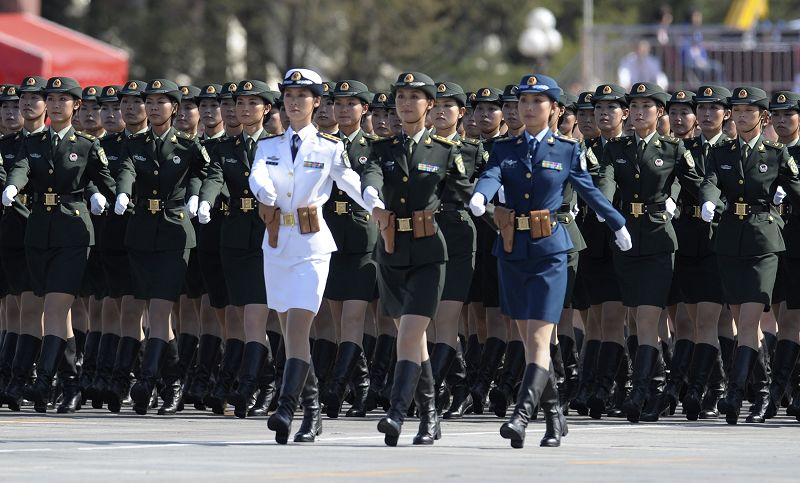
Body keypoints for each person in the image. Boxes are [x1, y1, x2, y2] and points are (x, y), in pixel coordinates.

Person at [469, 73, 631, 448]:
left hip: (550, 251)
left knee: (541, 337)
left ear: (555, 109)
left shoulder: (566, 149)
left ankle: (521, 416)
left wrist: (617, 224)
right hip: (511, 250)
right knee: (528, 340)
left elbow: (589, 191)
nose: (527, 109)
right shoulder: (505, 149)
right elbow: (492, 175)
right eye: (523, 102)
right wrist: (482, 194)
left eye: (537, 102)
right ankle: (555, 416)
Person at [249, 68, 369, 444]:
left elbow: (353, 184)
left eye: (303, 96)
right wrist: (265, 193)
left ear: (317, 102)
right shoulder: (267, 147)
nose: (294, 102)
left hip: (312, 245)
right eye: (289, 96)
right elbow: (257, 177)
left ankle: (286, 408)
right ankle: (313, 410)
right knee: (288, 332)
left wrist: (378, 207)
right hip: (276, 243)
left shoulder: (330, 147)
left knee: (299, 327)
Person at [361, 71, 471, 446]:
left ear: (430, 105)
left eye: (415, 97)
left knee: (409, 334)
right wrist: (374, 201)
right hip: (391, 250)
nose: (406, 103)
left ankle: (395, 412)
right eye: (401, 97)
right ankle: (430, 416)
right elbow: (371, 179)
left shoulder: (445, 150)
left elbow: (466, 196)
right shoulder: (381, 149)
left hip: (429, 253)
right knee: (414, 342)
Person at [2, 76, 116, 413]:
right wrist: (12, 185)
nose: (54, 104)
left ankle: (42, 380)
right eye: (50, 99)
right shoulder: (34, 141)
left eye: (62, 99)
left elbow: (104, 180)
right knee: (56, 313)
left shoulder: (86, 144)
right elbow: (22, 168)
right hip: (38, 232)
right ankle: (71, 384)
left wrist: (103, 196)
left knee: (54, 307)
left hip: (73, 231)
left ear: (75, 105)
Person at [597, 82, 702, 423]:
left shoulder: (672, 148)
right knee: (632, 317)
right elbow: (608, 180)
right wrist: (605, 206)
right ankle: (652, 385)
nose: (640, 110)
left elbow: (697, 182)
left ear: (660, 113)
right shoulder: (617, 147)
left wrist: (713, 199)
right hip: (626, 237)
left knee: (646, 318)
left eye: (648, 105)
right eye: (635, 105)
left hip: (658, 239)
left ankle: (640, 390)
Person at [700, 86, 800, 424]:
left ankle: (734, 392)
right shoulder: (723, 151)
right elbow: (710, 181)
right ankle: (761, 394)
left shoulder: (775, 154)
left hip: (764, 242)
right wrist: (709, 200)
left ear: (763, 117)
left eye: (749, 111)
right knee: (743, 321)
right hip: (730, 241)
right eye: (738, 110)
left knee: (748, 321)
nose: (742, 116)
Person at [113, 79, 210, 415]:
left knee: (159, 310)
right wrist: (123, 192)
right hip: (141, 232)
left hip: (174, 234)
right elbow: (126, 170)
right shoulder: (135, 143)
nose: (153, 108)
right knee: (158, 317)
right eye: (149, 102)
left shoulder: (187, 146)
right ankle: (173, 383)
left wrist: (199, 196)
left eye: (160, 102)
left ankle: (148, 379)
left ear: (175, 108)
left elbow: (206, 172)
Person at [198, 79, 277, 419]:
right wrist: (204, 199)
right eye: (239, 103)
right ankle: (261, 378)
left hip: (266, 236)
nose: (244, 109)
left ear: (266, 109)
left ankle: (246, 385)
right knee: (234, 313)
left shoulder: (276, 147)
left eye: (252, 104)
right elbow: (215, 177)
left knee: (254, 315)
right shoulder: (227, 147)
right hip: (233, 237)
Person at [320, 80, 379, 419]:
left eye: (350, 104)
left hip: (361, 238)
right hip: (328, 237)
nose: (342, 109)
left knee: (354, 318)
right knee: (337, 319)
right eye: (338, 103)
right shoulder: (321, 145)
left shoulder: (372, 146)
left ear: (364, 109)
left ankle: (337, 386)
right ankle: (363, 386)